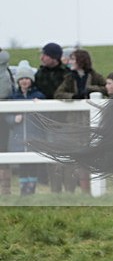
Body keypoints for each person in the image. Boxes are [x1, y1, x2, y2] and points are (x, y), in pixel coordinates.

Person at [54, 49, 106, 193]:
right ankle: (70, 190)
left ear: (81, 60)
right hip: (73, 123)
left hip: (91, 121)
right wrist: (74, 96)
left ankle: (88, 190)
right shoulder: (70, 77)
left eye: (73, 59)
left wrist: (90, 90)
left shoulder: (94, 76)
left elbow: (105, 88)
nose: (70, 62)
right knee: (72, 155)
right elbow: (58, 94)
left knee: (89, 156)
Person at [35, 42, 71, 193]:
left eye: (46, 54)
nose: (42, 57)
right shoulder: (39, 73)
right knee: (51, 155)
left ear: (54, 57)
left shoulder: (67, 73)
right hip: (47, 120)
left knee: (68, 154)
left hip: (66, 120)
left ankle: (70, 189)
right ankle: (55, 189)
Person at [6, 67, 46, 195]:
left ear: (31, 80)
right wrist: (13, 119)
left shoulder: (38, 96)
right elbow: (5, 116)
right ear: (18, 81)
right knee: (22, 164)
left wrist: (40, 105)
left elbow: (46, 116)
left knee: (32, 163)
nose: (24, 81)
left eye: (27, 78)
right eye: (21, 78)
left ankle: (31, 188)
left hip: (34, 135)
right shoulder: (13, 97)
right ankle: (24, 189)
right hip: (18, 137)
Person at [0, 49, 14, 195]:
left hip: (2, 114)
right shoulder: (6, 68)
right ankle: (5, 189)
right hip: (5, 112)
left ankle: (5, 189)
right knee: (3, 148)